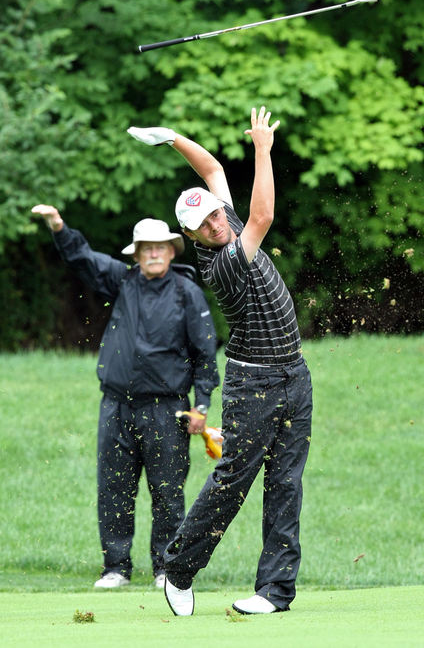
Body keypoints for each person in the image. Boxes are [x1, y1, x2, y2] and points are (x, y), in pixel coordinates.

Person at [128, 106, 313, 615]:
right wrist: (261, 148)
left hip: (294, 373)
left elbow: (211, 171)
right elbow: (264, 217)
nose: (215, 223)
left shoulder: (223, 219)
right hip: (253, 384)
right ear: (191, 238)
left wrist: (172, 137)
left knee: (286, 483)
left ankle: (275, 592)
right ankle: (179, 570)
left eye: (214, 213)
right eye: (203, 224)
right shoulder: (223, 261)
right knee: (233, 479)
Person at [31, 205, 219, 590]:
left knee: (167, 491)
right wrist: (58, 226)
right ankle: (115, 567)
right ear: (135, 254)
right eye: (145, 248)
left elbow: (205, 354)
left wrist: (200, 406)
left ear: (171, 251)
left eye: (159, 247)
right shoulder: (123, 281)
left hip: (168, 409)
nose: (152, 253)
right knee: (114, 488)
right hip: (115, 405)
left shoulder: (187, 293)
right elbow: (83, 259)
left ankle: (166, 568)